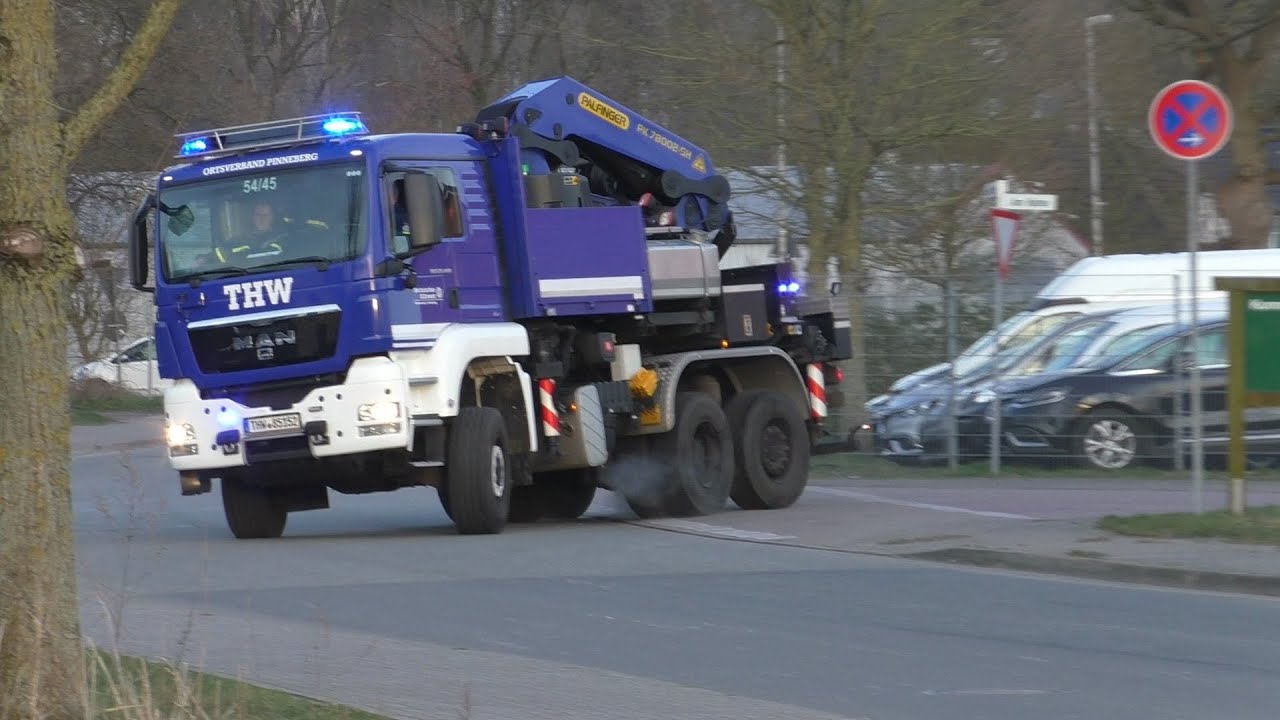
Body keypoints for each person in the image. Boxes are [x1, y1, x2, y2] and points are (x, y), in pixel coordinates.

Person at [214, 200, 287, 263]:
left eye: (265, 215)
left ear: (272, 217)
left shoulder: (283, 239)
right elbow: (219, 255)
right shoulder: (239, 240)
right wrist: (206, 259)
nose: (261, 219)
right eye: (258, 215)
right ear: (253, 217)